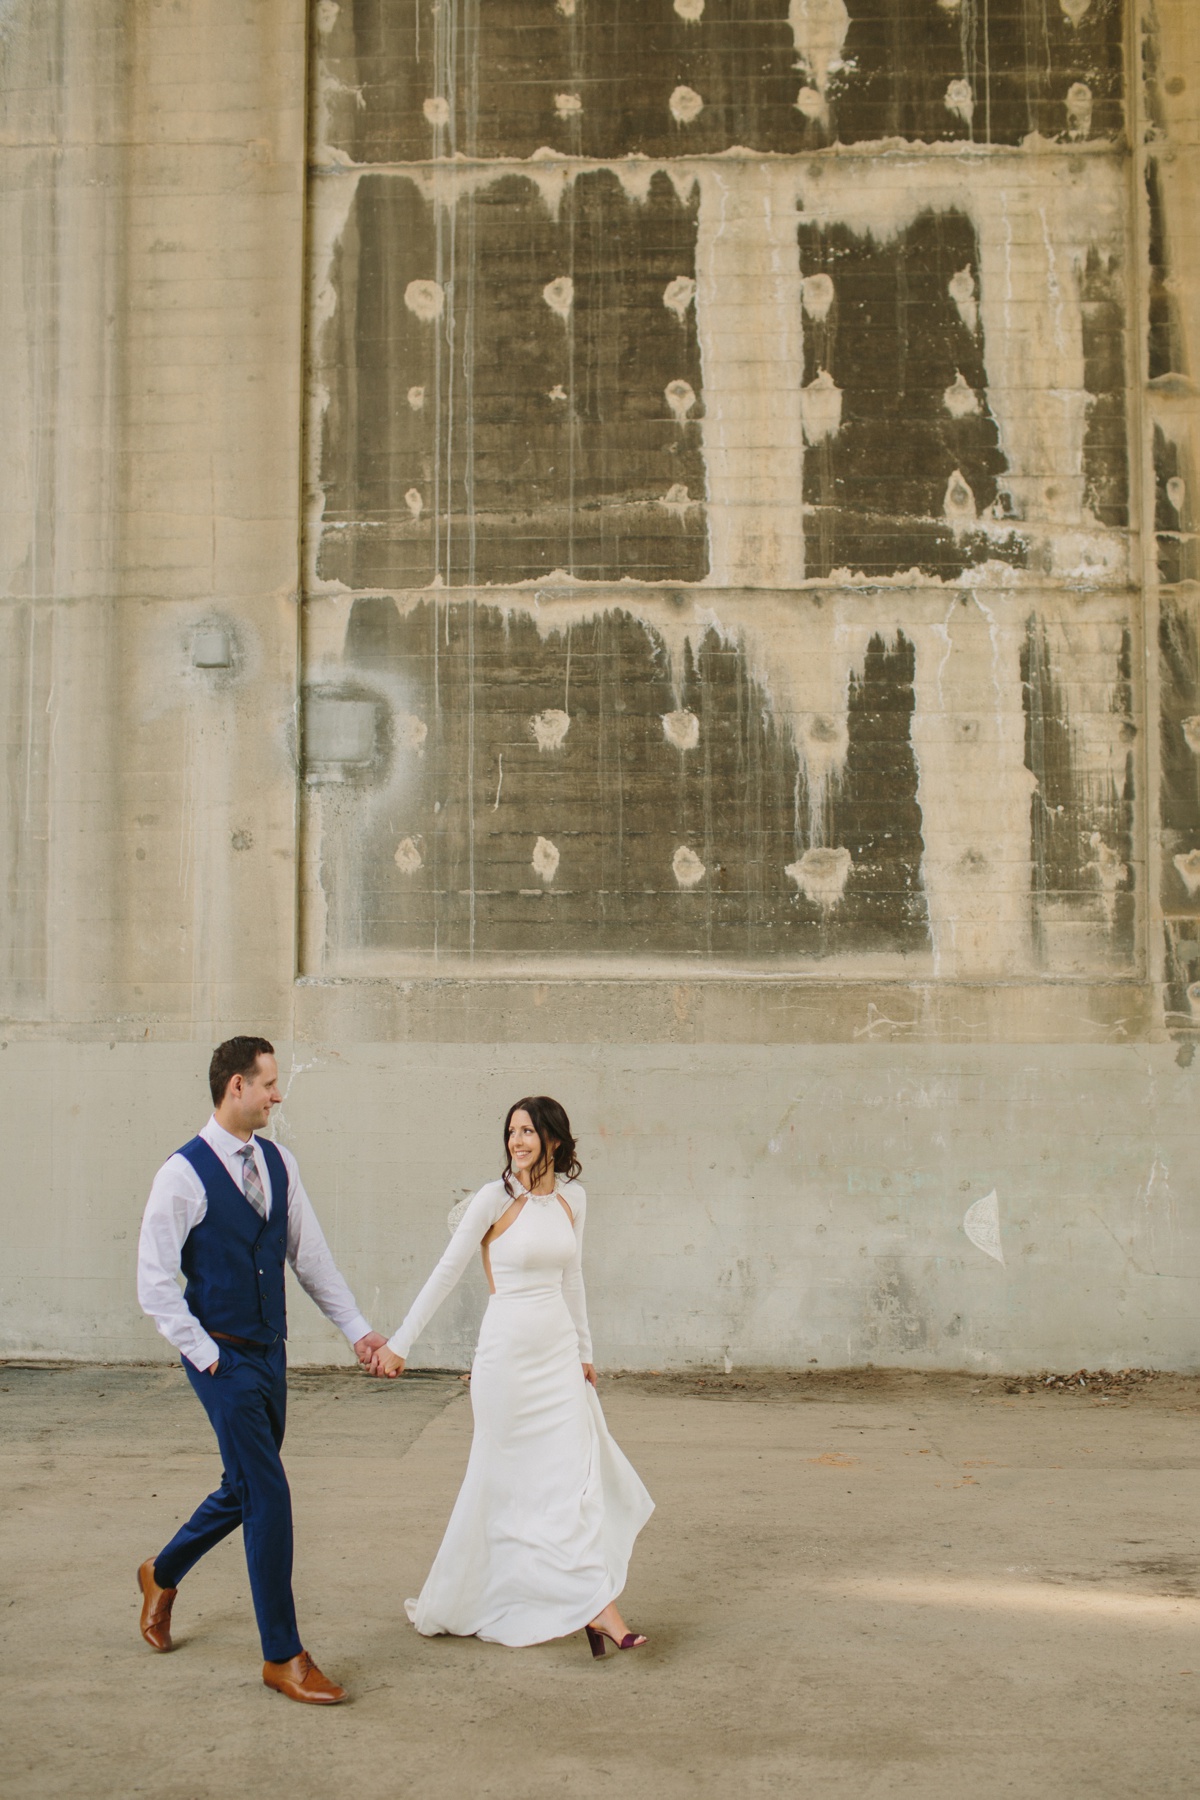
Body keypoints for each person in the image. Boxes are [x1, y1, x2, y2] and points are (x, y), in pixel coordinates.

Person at [135, 1036, 387, 1704]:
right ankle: (283, 1655)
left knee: (246, 1483)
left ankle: (161, 1572)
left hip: (271, 1352)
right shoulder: (182, 1175)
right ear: (235, 1087)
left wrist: (358, 1333)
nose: (278, 1096)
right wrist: (210, 1356)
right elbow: (154, 1285)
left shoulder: (280, 1164)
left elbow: (310, 1259)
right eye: (270, 1084)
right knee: (269, 1493)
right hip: (219, 1355)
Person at [371, 1096, 653, 1656]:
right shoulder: (492, 1199)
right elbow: (446, 1272)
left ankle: (598, 1609)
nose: (517, 1141)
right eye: (511, 1132)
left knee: (574, 1485)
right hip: (506, 1362)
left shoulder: (574, 1200)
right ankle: (579, 1610)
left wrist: (585, 1352)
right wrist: (401, 1342)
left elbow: (574, 1280)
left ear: (553, 1139)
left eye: (528, 1131)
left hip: (558, 1360)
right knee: (507, 1489)